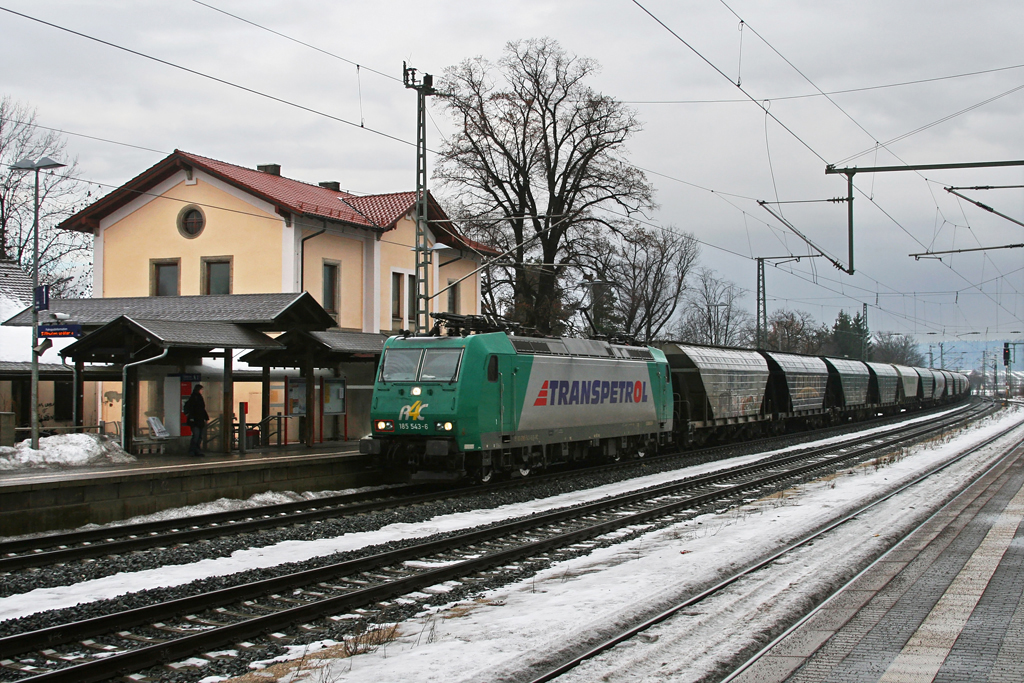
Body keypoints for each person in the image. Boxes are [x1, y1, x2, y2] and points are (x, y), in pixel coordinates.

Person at [184, 384, 209, 457]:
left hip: (199, 420)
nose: (202, 391)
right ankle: (193, 450)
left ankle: (196, 450)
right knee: (196, 436)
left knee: (199, 436)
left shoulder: (199, 398)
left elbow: (202, 410)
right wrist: (191, 417)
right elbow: (192, 409)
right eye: (201, 390)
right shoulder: (193, 398)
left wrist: (206, 418)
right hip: (195, 421)